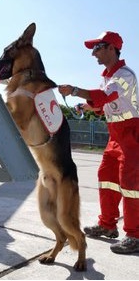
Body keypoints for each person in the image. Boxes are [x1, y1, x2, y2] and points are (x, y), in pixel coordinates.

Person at [58, 31, 139, 254]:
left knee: (131, 186)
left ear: (111, 48)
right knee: (107, 178)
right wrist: (87, 106)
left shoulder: (124, 75)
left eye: (97, 48)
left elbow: (105, 97)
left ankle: (134, 235)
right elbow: (105, 103)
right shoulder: (108, 77)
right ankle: (108, 225)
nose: (94, 54)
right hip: (116, 136)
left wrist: (75, 91)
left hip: (132, 134)